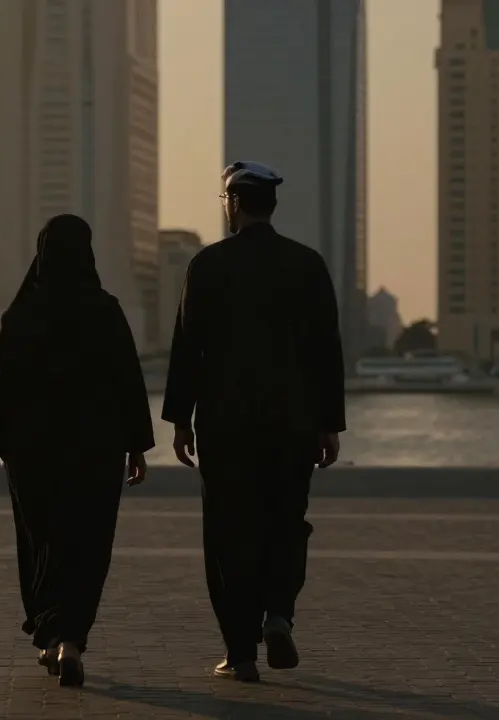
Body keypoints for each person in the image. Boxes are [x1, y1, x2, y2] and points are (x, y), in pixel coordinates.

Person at [162, 161, 346, 683]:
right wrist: (328, 422)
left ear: (235, 203)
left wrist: (179, 419)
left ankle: (240, 652)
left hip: (225, 425)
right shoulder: (307, 265)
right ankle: (279, 613)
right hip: (293, 422)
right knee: (287, 521)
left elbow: (187, 348)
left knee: (229, 532)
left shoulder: (208, 265)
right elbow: (326, 351)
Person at [0, 213, 155, 688]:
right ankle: (70, 638)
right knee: (88, 543)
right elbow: (129, 384)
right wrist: (137, 447)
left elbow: (0, 387)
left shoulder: (23, 313)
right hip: (97, 449)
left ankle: (53, 637)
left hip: (32, 451)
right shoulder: (106, 310)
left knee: (42, 541)